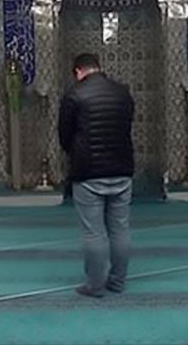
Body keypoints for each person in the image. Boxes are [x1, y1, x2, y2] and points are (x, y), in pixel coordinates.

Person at [58, 53, 134, 298]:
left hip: (88, 172)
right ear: (98, 67)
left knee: (94, 232)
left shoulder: (74, 94)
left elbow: (64, 136)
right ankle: (118, 281)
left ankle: (95, 285)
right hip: (122, 169)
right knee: (120, 229)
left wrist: (77, 153)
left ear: (78, 71)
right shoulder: (122, 92)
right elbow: (127, 126)